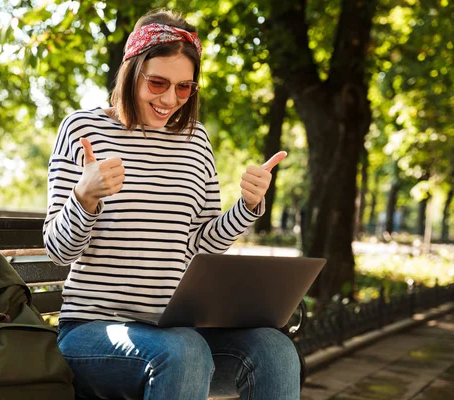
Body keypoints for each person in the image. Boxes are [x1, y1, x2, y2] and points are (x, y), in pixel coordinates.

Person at [43, 9, 300, 400]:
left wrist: (247, 207)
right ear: (132, 71)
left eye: (184, 88)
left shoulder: (196, 140)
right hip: (93, 333)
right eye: (158, 82)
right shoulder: (83, 130)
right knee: (183, 350)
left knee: (275, 349)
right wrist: (84, 197)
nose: (169, 99)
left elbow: (202, 243)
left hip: (178, 333)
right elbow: (59, 251)